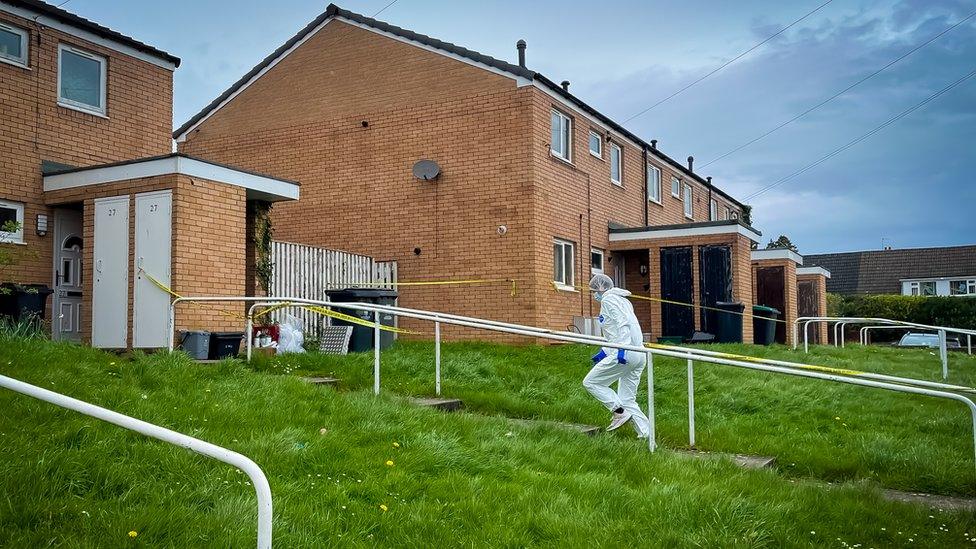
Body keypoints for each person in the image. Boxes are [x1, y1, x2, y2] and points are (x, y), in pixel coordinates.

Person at [582, 273, 651, 437]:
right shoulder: (623, 301)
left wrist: (622, 348)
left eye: (594, 291)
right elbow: (614, 331)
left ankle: (618, 411)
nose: (594, 295)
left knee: (591, 382)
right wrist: (604, 352)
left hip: (626, 352)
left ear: (601, 288)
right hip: (638, 353)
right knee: (627, 399)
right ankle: (646, 435)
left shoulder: (608, 299)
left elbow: (622, 324)